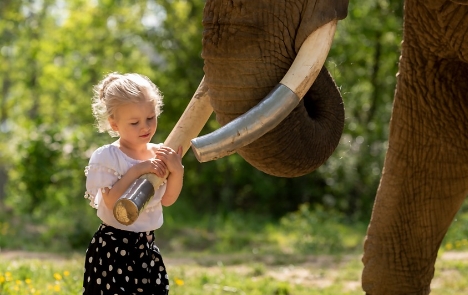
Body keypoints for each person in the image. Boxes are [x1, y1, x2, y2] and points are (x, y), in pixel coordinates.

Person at [82, 72, 184, 294]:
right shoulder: (109, 156)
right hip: (112, 249)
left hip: (146, 249)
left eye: (150, 117)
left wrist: (177, 171)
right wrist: (138, 170)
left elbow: (167, 200)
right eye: (134, 122)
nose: (145, 127)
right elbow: (111, 202)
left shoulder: (159, 153)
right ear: (114, 124)